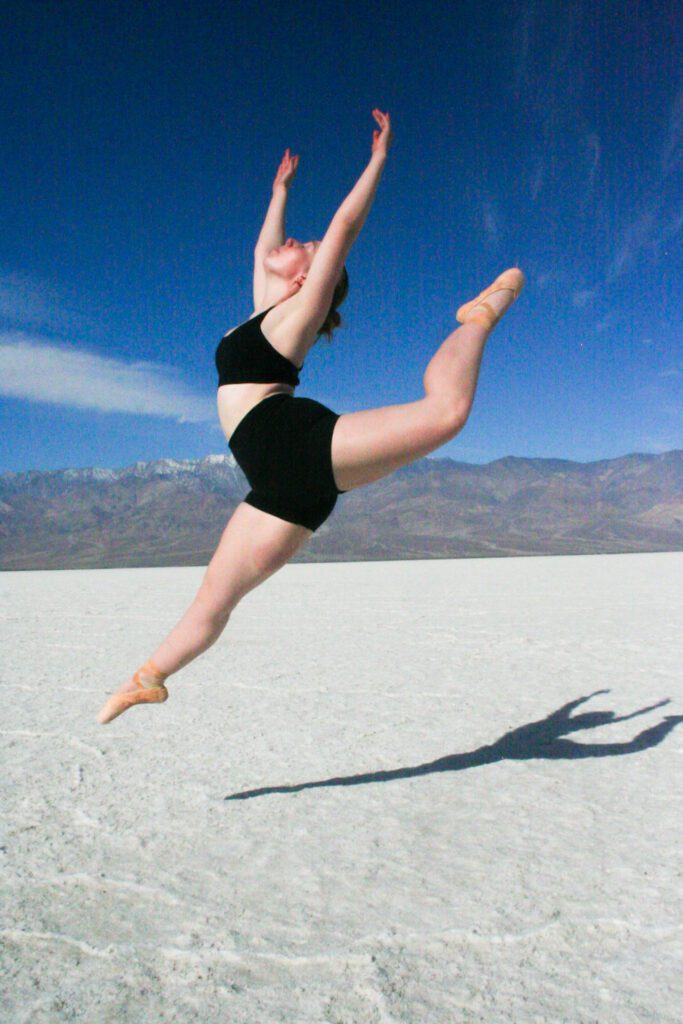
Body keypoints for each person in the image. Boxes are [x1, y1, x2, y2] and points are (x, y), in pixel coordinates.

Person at [97, 110, 525, 724]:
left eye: (308, 247)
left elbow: (344, 226)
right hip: (279, 487)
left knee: (446, 413)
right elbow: (261, 250)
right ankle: (150, 677)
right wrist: (280, 192)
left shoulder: (296, 316)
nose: (295, 242)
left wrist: (377, 160)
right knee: (214, 599)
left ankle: (478, 318)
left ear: (307, 280)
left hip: (297, 442)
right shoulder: (261, 314)